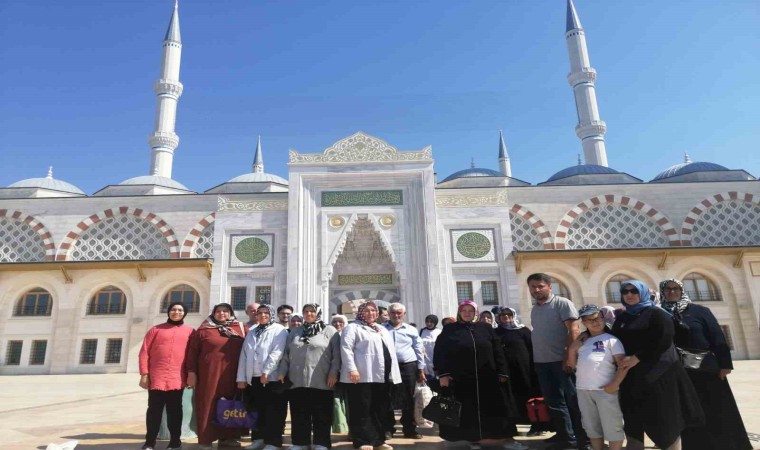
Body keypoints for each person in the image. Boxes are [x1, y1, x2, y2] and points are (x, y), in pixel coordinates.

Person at [660, 278, 751, 450]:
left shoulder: (700, 311)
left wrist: (725, 365)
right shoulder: (661, 314)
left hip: (707, 371)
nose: (672, 292)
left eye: (676, 288)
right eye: (668, 289)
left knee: (718, 409)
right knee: (690, 411)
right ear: (662, 292)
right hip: (681, 372)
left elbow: (717, 336)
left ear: (682, 290)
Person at [612, 280, 703, 450]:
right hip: (632, 376)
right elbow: (613, 339)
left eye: (634, 291)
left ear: (643, 293)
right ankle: (635, 445)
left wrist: (637, 358)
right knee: (633, 414)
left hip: (660, 373)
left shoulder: (657, 313)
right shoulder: (623, 317)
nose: (629, 295)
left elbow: (663, 339)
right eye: (625, 292)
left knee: (664, 414)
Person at [434, 301, 527, 450]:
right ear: (459, 312)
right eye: (464, 310)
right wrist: (443, 374)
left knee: (496, 409)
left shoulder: (486, 328)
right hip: (462, 379)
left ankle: (505, 439)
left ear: (476, 312)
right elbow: (440, 353)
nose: (467, 313)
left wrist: (502, 371)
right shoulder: (450, 330)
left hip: (488, 377)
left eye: (470, 310)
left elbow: (498, 351)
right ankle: (473, 439)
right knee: (467, 411)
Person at [527, 273, 589, 450]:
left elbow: (574, 330)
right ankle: (565, 437)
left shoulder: (562, 303)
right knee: (554, 402)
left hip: (561, 362)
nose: (536, 290)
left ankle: (583, 439)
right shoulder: (535, 308)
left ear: (549, 287)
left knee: (573, 401)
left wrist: (569, 356)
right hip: (542, 363)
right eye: (533, 287)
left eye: (540, 286)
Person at [186, 303, 249, 449]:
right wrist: (191, 372)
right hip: (208, 375)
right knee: (208, 405)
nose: (222, 313)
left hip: (233, 375)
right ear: (213, 313)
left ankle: (229, 437)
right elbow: (192, 353)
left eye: (225, 311)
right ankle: (206, 438)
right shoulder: (203, 330)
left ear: (231, 313)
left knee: (231, 404)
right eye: (218, 311)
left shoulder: (240, 328)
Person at [340, 301, 401, 450]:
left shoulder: (381, 328)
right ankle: (362, 441)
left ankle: (378, 440)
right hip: (361, 376)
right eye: (367, 311)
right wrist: (352, 369)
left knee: (379, 408)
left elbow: (390, 352)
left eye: (373, 310)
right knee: (361, 408)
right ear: (360, 312)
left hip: (381, 376)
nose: (371, 313)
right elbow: (346, 349)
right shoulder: (352, 327)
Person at [280, 303, 341, 450]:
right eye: (305, 311)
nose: (308, 314)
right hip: (297, 379)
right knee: (299, 413)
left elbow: (337, 356)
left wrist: (333, 373)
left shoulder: (329, 331)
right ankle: (300, 442)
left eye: (312, 311)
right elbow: (286, 354)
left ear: (318, 313)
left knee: (322, 414)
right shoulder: (295, 331)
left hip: (322, 379)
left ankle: (321, 443)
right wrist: (282, 371)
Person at [567, 305, 627, 450]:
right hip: (584, 389)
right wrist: (573, 348)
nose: (595, 322)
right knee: (591, 426)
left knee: (613, 426)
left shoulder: (611, 340)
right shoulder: (583, 341)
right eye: (590, 320)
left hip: (605, 390)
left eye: (598, 318)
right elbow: (573, 365)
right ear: (584, 323)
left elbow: (622, 365)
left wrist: (614, 384)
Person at [138, 302, 194, 450]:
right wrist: (144, 374)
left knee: (175, 411)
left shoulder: (190, 332)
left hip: (177, 378)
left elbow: (192, 356)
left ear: (185, 313)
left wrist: (191, 374)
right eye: (173, 309)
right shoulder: (155, 330)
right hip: (157, 377)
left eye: (180, 310)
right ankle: (149, 442)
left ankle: (175, 442)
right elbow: (144, 352)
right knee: (154, 411)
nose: (177, 312)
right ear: (168, 312)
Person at [237, 304, 289, 450]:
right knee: (256, 409)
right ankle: (258, 438)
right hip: (253, 378)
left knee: (273, 411)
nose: (263, 315)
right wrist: (241, 377)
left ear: (271, 314)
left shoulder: (279, 331)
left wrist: (266, 371)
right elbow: (244, 355)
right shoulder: (253, 331)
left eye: (266, 313)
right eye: (260, 313)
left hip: (271, 378)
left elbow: (277, 353)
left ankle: (273, 442)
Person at [495, 307, 547, 436]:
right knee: (511, 399)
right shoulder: (496, 332)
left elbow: (532, 348)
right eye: (502, 315)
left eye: (508, 314)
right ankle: (512, 428)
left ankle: (536, 426)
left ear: (513, 315)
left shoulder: (523, 331)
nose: (506, 317)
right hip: (507, 372)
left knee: (530, 398)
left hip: (525, 371)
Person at [383, 303, 425, 439]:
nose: (396, 315)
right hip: (387, 367)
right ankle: (388, 428)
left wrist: (420, 369)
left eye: (399, 313)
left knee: (408, 397)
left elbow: (418, 349)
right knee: (388, 396)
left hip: (407, 366)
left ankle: (409, 428)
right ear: (389, 314)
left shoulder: (411, 330)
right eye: (393, 312)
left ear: (404, 314)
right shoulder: (381, 329)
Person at [419, 314, 441, 391]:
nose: (429, 324)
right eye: (427, 322)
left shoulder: (439, 332)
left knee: (435, 380)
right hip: (424, 359)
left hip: (434, 358)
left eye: (431, 322)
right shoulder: (422, 331)